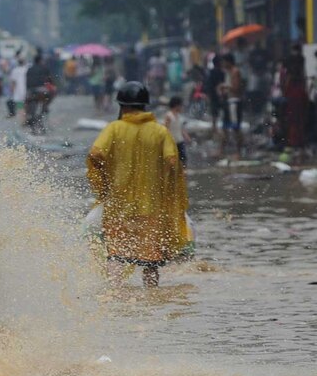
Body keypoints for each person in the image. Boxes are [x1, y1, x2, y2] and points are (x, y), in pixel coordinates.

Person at [86, 82, 189, 288]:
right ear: (145, 106)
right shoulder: (160, 132)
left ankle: (114, 298)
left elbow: (95, 155)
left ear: (122, 106)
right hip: (151, 208)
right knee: (151, 261)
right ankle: (152, 299)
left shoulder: (114, 129)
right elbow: (172, 162)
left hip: (118, 207)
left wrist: (105, 183)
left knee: (116, 255)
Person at [282, 44, 308, 160]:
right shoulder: (301, 73)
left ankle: (294, 144)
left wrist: (285, 90)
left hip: (293, 95)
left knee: (292, 120)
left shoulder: (290, 80)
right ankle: (300, 145)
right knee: (300, 120)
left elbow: (287, 80)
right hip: (300, 94)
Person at [217, 53, 244, 158]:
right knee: (225, 127)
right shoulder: (228, 72)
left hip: (235, 102)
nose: (223, 64)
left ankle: (238, 152)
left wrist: (225, 86)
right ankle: (221, 150)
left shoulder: (235, 72)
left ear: (229, 61)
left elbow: (236, 88)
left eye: (224, 61)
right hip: (228, 102)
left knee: (236, 128)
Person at [25, 54, 54, 133]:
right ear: (40, 61)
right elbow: (50, 80)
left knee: (30, 108)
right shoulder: (45, 68)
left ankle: (31, 121)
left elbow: (27, 81)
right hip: (42, 91)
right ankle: (46, 106)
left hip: (31, 91)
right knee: (52, 93)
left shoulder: (29, 69)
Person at [164, 96, 191, 166]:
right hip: (172, 142)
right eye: (181, 105)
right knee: (172, 160)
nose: (182, 107)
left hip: (180, 141)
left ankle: (182, 173)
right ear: (177, 105)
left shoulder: (179, 116)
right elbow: (166, 128)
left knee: (183, 158)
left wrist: (187, 137)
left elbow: (181, 128)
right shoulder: (169, 115)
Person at [206, 55, 226, 135]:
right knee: (221, 112)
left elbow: (209, 84)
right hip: (219, 95)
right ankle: (219, 128)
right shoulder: (221, 72)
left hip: (213, 95)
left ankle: (214, 128)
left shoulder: (211, 72)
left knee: (215, 113)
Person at [9, 56, 29, 122]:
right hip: (26, 90)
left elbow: (13, 82)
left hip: (18, 91)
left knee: (20, 107)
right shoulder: (27, 69)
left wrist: (12, 90)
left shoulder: (15, 70)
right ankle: (26, 118)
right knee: (26, 105)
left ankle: (22, 120)